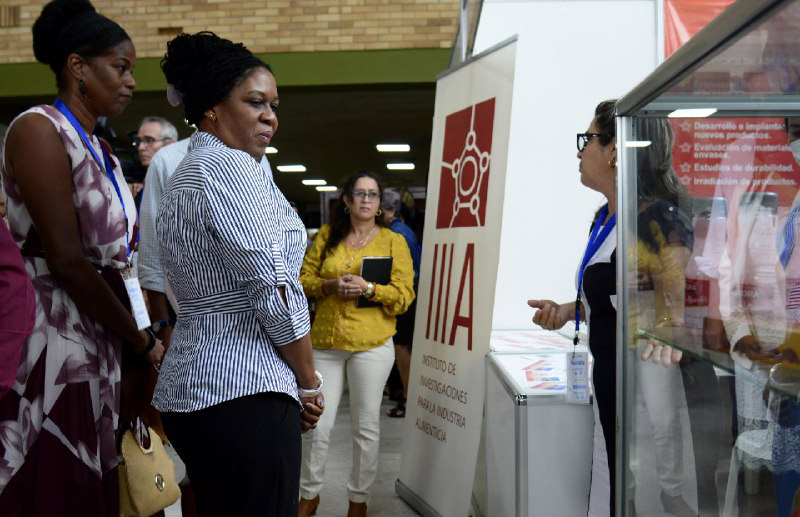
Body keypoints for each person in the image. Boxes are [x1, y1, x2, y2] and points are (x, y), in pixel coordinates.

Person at [0, 0, 164, 513]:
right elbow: (69, 261)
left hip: (102, 333)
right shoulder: (38, 129)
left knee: (97, 481)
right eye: (120, 67)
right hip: (54, 336)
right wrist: (140, 340)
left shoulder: (104, 149)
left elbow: (120, 262)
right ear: (77, 66)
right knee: (54, 478)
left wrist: (137, 337)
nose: (130, 81)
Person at [152, 31, 323, 516]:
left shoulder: (190, 168)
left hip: (195, 386)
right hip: (246, 387)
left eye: (273, 104)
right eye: (254, 102)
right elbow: (272, 288)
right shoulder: (231, 167)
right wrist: (308, 382)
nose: (270, 116)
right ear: (210, 107)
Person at [528, 100, 698, 516]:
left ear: (613, 150)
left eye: (587, 140)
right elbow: (619, 296)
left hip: (644, 384)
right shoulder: (606, 217)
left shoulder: (659, 219)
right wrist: (570, 310)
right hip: (612, 378)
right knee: (614, 480)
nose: (579, 151)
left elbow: (672, 315)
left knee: (638, 480)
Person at [298, 171, 415, 517]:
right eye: (359, 194)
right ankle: (309, 495)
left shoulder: (394, 242)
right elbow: (303, 280)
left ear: (380, 204)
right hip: (326, 341)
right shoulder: (327, 239)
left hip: (372, 344)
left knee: (366, 427)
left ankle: (358, 501)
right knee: (317, 423)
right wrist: (331, 285)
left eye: (373, 194)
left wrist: (368, 289)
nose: (366, 200)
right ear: (346, 201)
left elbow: (404, 296)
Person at [381, 189, 421, 418]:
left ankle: (408, 400)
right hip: (410, 292)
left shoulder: (398, 234)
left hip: (407, 295)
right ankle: (406, 396)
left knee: (402, 348)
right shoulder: (401, 230)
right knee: (402, 348)